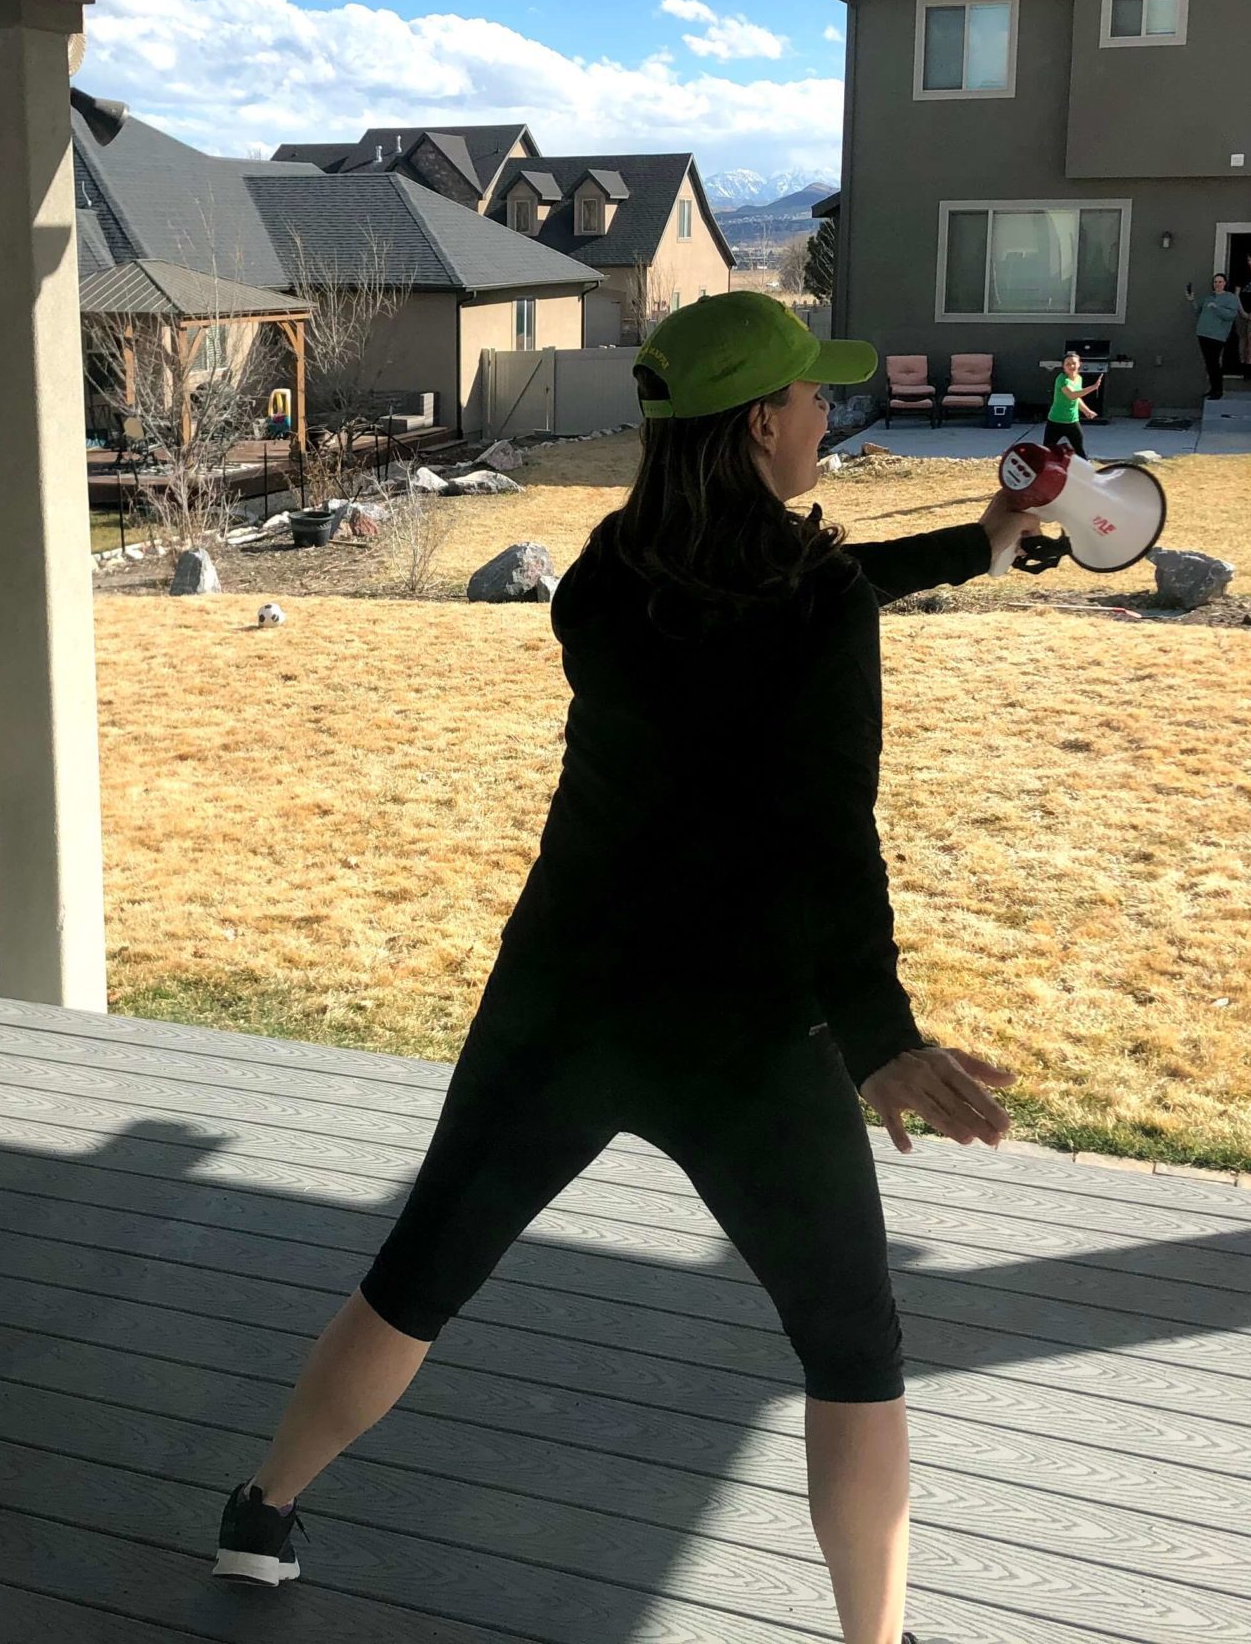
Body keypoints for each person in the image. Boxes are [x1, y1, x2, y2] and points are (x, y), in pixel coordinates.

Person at [212, 293, 1026, 1644]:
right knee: (852, 1351)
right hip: (748, 1034)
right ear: (762, 422)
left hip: (566, 999)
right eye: (813, 400)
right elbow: (832, 831)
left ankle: (261, 1510)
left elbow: (767, 605)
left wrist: (977, 548)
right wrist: (881, 1036)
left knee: (418, 1273)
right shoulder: (805, 607)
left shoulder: (603, 581)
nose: (830, 415)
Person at [1185, 274, 1242, 402]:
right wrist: (1192, 300)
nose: (1217, 284)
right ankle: (1212, 388)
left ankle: (1218, 390)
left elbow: (1231, 315)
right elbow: (1198, 311)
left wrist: (1217, 308)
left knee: (1215, 363)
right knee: (1209, 363)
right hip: (1203, 333)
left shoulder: (1230, 298)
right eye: (1215, 282)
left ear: (1225, 283)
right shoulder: (1209, 297)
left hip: (1217, 335)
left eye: (1220, 281)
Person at [1045, 350, 1101, 457]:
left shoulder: (1078, 379)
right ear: (1063, 366)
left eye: (1074, 363)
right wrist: (1093, 388)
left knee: (1079, 450)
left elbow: (1076, 398)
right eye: (1068, 364)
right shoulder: (1062, 379)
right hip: (1055, 421)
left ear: (1079, 364)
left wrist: (1086, 411)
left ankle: (1085, 472)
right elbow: (1071, 395)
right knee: (1047, 452)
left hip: (1072, 421)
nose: (1071, 366)